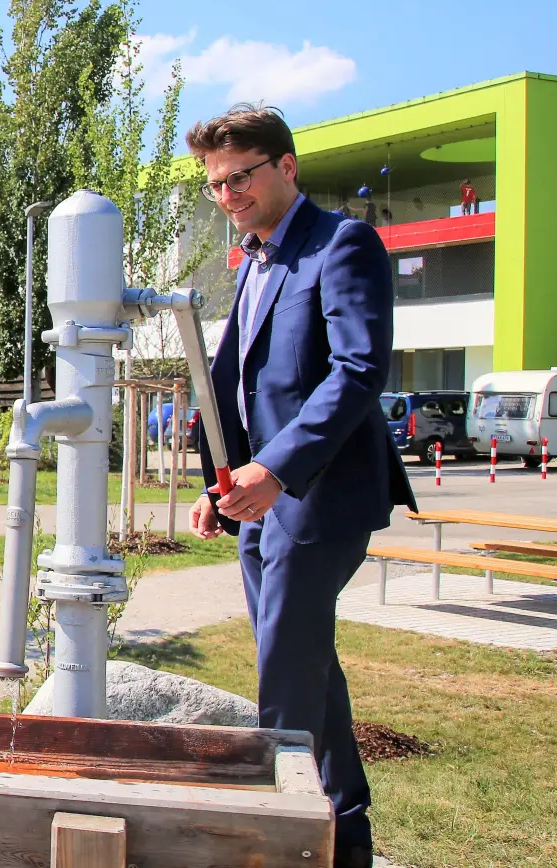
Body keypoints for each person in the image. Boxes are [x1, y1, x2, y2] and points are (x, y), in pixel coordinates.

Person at [185, 104, 417, 868]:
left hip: (320, 496)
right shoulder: (254, 259)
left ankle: (274, 843)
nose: (227, 196)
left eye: (239, 178)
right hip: (259, 497)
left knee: (283, 671)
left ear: (286, 167)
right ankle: (344, 835)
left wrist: (278, 469)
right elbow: (235, 382)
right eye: (215, 185)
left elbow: (358, 373)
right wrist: (219, 482)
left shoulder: (343, 244)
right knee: (307, 670)